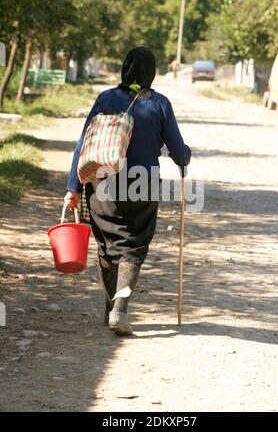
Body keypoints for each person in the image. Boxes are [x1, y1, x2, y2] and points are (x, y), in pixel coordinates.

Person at [64, 47, 191, 336]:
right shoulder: (160, 103)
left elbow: (82, 144)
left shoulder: (105, 98)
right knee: (132, 246)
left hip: (101, 183)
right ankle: (119, 311)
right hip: (142, 185)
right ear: (152, 72)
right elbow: (177, 151)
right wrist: (186, 156)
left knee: (107, 245)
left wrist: (73, 186)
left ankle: (110, 308)